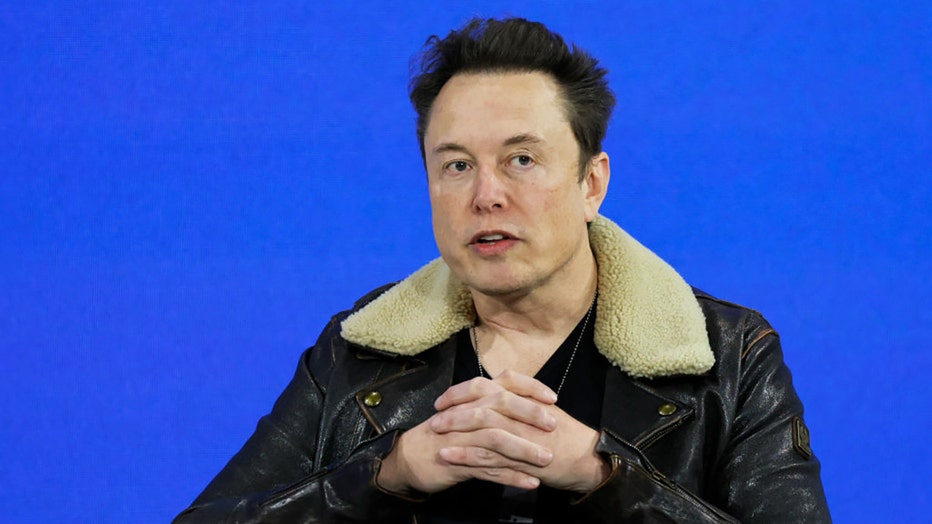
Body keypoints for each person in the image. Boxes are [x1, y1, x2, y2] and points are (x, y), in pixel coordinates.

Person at [174, 17, 831, 523]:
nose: (485, 194)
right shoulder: (356, 352)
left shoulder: (730, 354)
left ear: (591, 184)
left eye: (521, 159)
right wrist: (383, 473)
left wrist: (606, 477)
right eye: (456, 165)